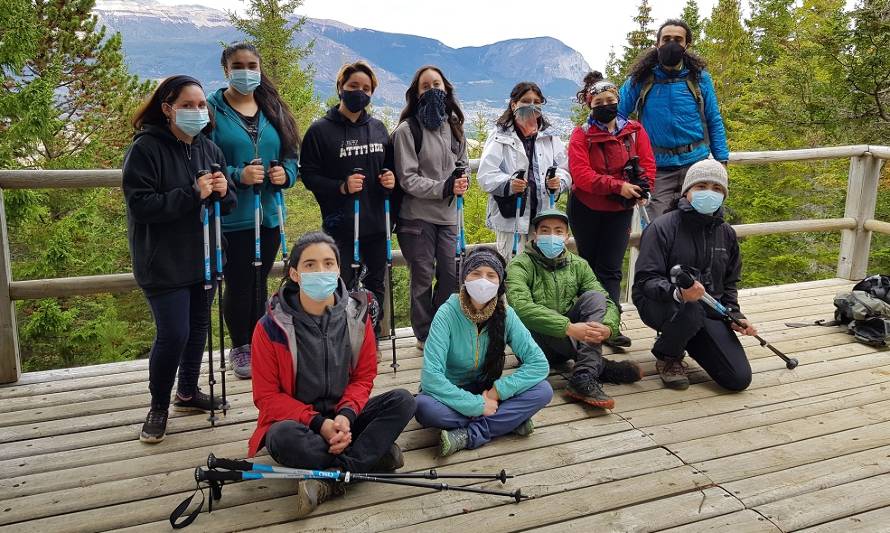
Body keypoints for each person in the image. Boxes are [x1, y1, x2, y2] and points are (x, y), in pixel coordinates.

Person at [248, 231, 416, 516]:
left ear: (339, 269)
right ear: (294, 273)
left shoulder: (356, 317)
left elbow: (363, 378)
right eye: (310, 265)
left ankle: (333, 478)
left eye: (328, 263)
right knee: (281, 438)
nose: (321, 271)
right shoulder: (270, 327)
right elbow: (267, 397)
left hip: (343, 418)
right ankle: (370, 456)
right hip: (301, 426)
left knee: (403, 401)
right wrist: (318, 423)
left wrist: (346, 416)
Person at [123, 75, 236, 443]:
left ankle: (187, 392)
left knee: (198, 327)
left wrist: (223, 190)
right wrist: (191, 193)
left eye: (201, 105)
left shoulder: (208, 148)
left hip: (204, 256)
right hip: (163, 261)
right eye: (187, 105)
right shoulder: (146, 149)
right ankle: (158, 405)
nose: (197, 111)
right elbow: (141, 205)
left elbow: (228, 202)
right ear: (167, 108)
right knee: (173, 334)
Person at [207, 42, 300, 379]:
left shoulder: (272, 108)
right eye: (238, 65)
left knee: (261, 281)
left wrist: (285, 175)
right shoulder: (212, 112)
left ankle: (260, 340)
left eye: (252, 65)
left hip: (270, 213)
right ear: (226, 70)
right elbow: (205, 162)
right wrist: (237, 175)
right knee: (240, 283)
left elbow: (292, 156)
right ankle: (242, 346)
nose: (246, 71)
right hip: (233, 216)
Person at [415, 246, 553, 457]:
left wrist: (496, 392)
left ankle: (470, 435)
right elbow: (431, 379)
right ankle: (508, 421)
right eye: (476, 274)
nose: (483, 281)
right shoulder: (447, 313)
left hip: (489, 391)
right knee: (423, 406)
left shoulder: (506, 314)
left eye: (491, 275)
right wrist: (477, 406)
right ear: (465, 279)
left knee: (543, 390)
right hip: (452, 393)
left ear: (499, 283)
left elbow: (539, 364)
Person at [632, 159, 754, 392]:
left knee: (738, 378)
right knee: (691, 309)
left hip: (709, 309)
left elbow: (729, 283)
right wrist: (678, 293)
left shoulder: (726, 234)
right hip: (663, 304)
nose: (709, 193)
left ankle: (686, 337)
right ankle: (668, 354)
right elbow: (645, 280)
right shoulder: (662, 227)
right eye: (701, 186)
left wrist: (735, 315)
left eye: (717, 188)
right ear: (687, 191)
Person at [506, 209, 642, 410]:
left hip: (571, 338)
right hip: (534, 344)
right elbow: (521, 307)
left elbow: (606, 300)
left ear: (567, 236)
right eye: (545, 230)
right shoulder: (520, 265)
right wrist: (568, 327)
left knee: (595, 298)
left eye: (558, 231)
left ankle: (583, 375)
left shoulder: (578, 264)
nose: (551, 236)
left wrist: (608, 328)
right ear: (535, 235)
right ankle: (598, 366)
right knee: (534, 315)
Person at [567, 71, 656, 349]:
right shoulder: (581, 135)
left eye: (610, 99)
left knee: (611, 269)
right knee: (588, 267)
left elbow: (649, 165)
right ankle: (588, 324)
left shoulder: (634, 130)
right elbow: (580, 174)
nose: (606, 105)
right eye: (599, 102)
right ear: (590, 105)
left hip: (620, 210)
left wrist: (644, 188)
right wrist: (617, 186)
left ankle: (609, 326)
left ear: (617, 100)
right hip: (587, 208)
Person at [300, 61, 396, 318]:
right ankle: (340, 341)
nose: (360, 92)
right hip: (339, 227)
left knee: (376, 286)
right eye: (353, 86)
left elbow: (389, 168)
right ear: (340, 87)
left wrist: (390, 180)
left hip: (376, 225)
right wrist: (340, 187)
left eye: (366, 88)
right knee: (339, 285)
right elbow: (308, 175)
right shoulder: (319, 130)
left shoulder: (378, 128)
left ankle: (370, 342)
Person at [618, 18, 729, 219]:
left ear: (687, 45)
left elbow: (713, 119)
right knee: (656, 226)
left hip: (696, 163)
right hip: (656, 167)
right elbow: (618, 115)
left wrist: (722, 160)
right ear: (657, 43)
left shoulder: (700, 78)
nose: (671, 43)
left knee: (701, 221)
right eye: (666, 38)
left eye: (678, 39)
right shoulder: (641, 78)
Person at [392, 65, 469, 350]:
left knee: (452, 275)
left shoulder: (455, 127)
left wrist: (462, 182)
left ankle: (442, 326)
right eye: (426, 86)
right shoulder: (407, 130)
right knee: (422, 277)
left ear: (447, 88)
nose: (433, 90)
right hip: (416, 218)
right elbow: (407, 178)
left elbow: (462, 167)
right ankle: (424, 335)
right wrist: (444, 188)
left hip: (449, 216)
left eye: (437, 84)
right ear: (416, 93)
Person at [477, 82, 571, 261]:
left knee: (542, 271)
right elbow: (486, 175)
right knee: (513, 272)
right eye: (526, 101)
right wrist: (509, 183)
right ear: (514, 104)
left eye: (537, 101)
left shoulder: (550, 136)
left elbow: (564, 167)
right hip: (512, 218)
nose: (532, 106)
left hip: (543, 218)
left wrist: (558, 180)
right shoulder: (500, 136)